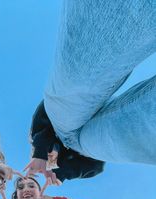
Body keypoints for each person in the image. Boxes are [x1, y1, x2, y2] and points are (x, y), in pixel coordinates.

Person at [25, 0, 156, 174]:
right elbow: (96, 166)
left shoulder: (39, 140)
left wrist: (40, 152)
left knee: (74, 83)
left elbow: (44, 114)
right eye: (51, 162)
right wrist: (61, 173)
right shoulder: (69, 160)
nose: (51, 159)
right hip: (84, 142)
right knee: (116, 138)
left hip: (65, 123)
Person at [25, 100, 105, 183]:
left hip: (63, 102)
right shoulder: (68, 153)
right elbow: (98, 166)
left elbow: (43, 131)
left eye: (47, 157)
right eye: (52, 161)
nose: (50, 156)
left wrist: (40, 153)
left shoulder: (36, 137)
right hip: (96, 117)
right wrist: (63, 173)